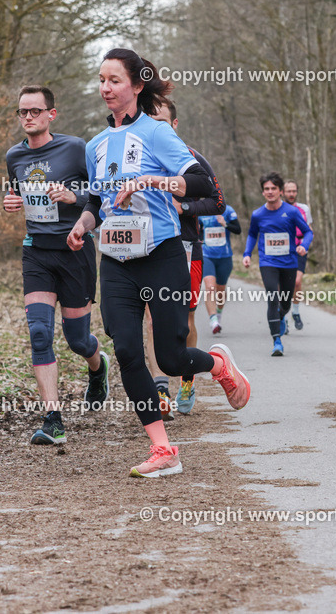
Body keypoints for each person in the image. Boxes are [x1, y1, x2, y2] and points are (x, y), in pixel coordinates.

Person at [67, 48, 250, 478]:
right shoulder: (94, 145)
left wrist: (153, 179)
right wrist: (82, 223)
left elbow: (204, 183)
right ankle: (163, 448)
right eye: (101, 79)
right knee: (128, 350)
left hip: (162, 254)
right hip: (114, 259)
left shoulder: (157, 133)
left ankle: (217, 364)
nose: (105, 88)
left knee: (169, 358)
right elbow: (97, 200)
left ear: (136, 84)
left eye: (114, 80)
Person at [3, 84, 110, 445]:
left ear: (52, 114)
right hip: (37, 251)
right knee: (39, 333)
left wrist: (73, 195)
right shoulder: (13, 157)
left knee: (77, 340)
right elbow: (18, 193)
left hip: (75, 251)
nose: (28, 117)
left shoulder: (76, 148)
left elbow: (100, 196)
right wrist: (11, 202)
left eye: (35, 111)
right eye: (23, 112)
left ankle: (98, 367)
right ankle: (53, 420)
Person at [143, 99, 225, 417]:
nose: (156, 128)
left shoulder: (191, 158)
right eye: (151, 121)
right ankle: (161, 390)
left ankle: (187, 382)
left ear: (174, 125)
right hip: (149, 246)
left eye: (162, 122)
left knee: (186, 318)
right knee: (152, 318)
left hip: (187, 246)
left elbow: (217, 202)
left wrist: (184, 208)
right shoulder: (139, 156)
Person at [242, 172, 312, 357]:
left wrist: (303, 246)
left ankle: (281, 316)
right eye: (267, 189)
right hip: (268, 262)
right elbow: (251, 235)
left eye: (274, 188)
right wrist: (247, 254)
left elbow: (308, 232)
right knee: (272, 297)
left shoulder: (291, 211)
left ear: (280, 191)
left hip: (289, 262)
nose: (270, 192)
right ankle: (277, 341)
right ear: (263, 192)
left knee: (286, 303)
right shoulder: (258, 214)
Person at [200, 204, 241, 335]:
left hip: (224, 257)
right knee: (210, 287)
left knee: (220, 290)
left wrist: (225, 224)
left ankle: (218, 314)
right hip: (207, 256)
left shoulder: (228, 210)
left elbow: (238, 230)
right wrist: (200, 239)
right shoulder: (201, 210)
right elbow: (197, 230)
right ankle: (213, 321)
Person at [282, 180, 312, 331]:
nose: (292, 194)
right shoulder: (277, 208)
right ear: (283, 192)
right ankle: (283, 317)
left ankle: (295, 311)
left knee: (297, 282)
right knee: (282, 285)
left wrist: (305, 245)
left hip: (298, 249)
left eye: (294, 191)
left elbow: (309, 229)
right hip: (281, 251)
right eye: (289, 191)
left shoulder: (303, 209)